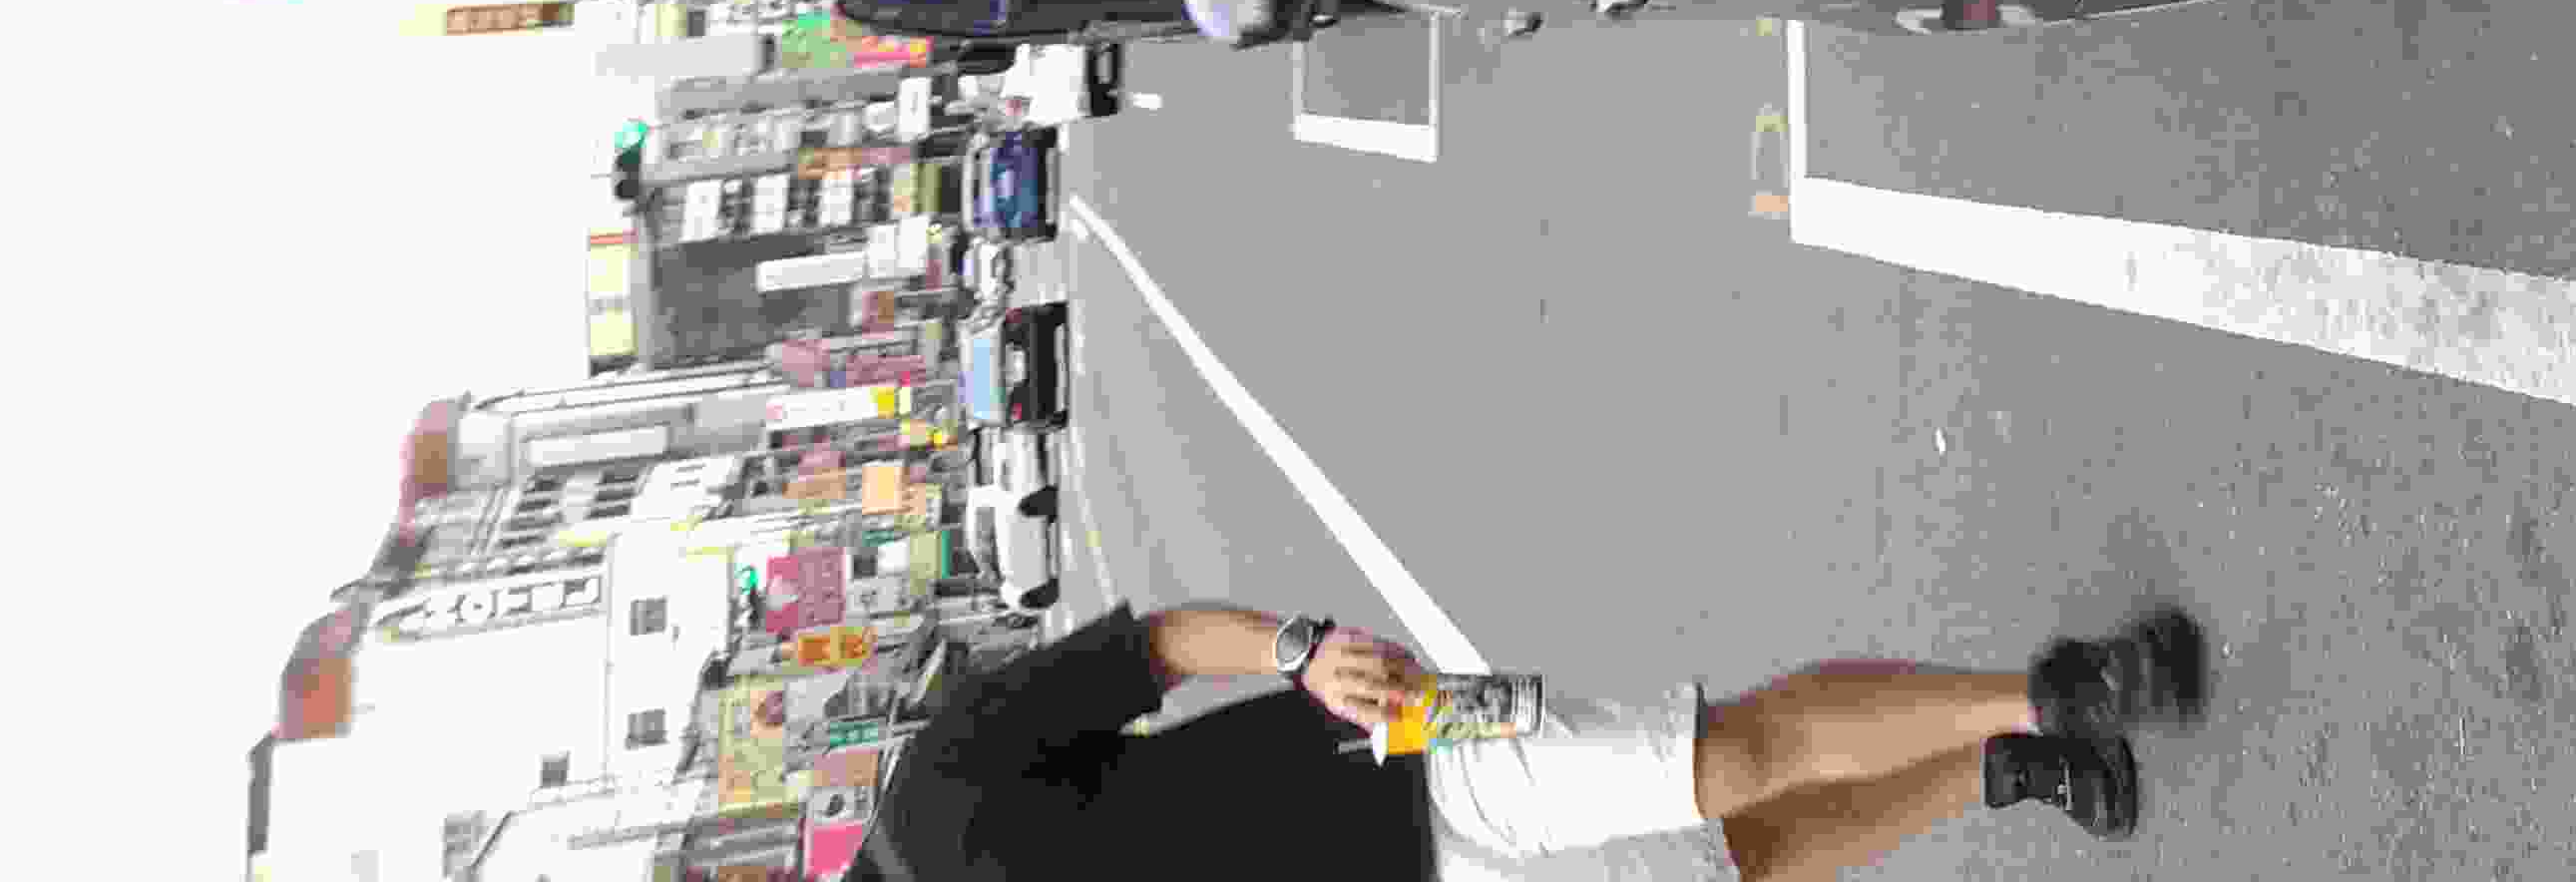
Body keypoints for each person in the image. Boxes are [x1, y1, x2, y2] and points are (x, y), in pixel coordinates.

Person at [868, 598, 2206, 882]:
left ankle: (2046, 693)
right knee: (1738, 866)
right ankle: (1998, 769)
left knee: (1724, 758)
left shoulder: (933, 798)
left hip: (1392, 746)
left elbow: (1145, 650)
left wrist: (1296, 652)